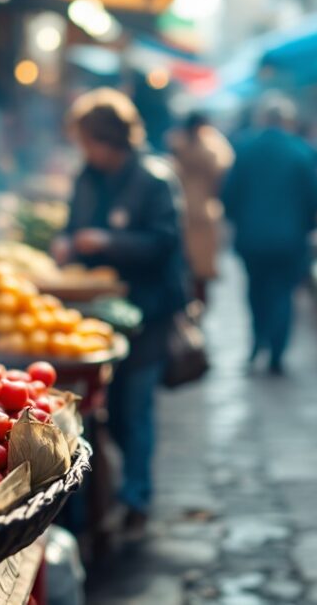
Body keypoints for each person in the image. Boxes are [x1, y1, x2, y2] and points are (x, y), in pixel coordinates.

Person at [52, 88, 186, 536]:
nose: (84, 150)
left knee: (135, 407)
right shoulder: (87, 177)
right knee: (102, 414)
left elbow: (165, 242)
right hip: (95, 314)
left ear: (108, 138)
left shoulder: (153, 178)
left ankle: (136, 498)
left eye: (88, 141)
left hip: (146, 313)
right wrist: (69, 242)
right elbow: (72, 225)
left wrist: (107, 242)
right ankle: (98, 499)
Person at [223, 93, 317, 374]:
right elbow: (314, 197)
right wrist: (307, 225)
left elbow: (229, 195)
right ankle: (276, 349)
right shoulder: (301, 151)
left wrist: (239, 220)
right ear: (287, 120)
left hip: (252, 239)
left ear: (263, 118)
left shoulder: (245, 149)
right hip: (289, 240)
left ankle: (259, 339)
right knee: (282, 293)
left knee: (256, 290)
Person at [166, 112, 233, 304]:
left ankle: (194, 308)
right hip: (190, 214)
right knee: (187, 268)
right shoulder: (206, 147)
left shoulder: (186, 145)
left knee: (198, 271)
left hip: (197, 215)